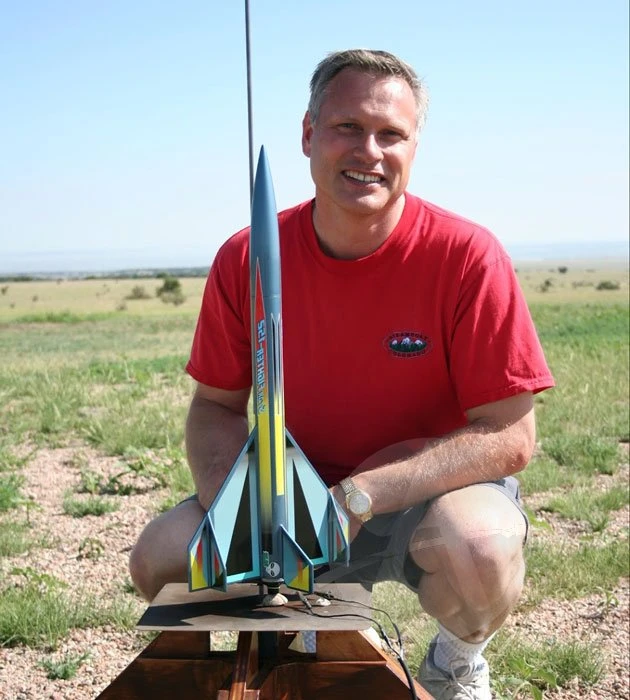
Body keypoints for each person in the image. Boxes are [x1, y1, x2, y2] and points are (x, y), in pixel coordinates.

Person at [130, 49, 554, 700]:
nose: (369, 151)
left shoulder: (468, 256)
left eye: (391, 134)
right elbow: (215, 405)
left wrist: (357, 497)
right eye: (348, 127)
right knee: (161, 559)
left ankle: (457, 661)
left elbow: (510, 436)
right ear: (308, 134)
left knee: (481, 548)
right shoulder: (246, 257)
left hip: (424, 497)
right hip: (291, 498)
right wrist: (240, 507)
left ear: (415, 148)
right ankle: (296, 646)